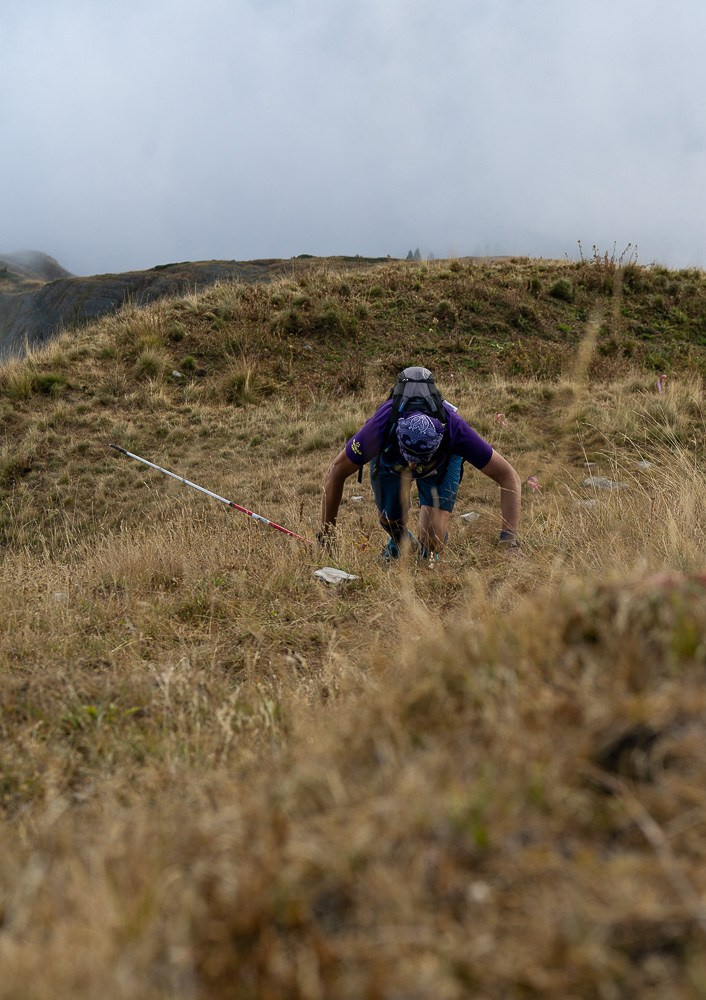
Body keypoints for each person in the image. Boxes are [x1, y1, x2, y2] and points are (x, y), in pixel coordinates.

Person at [319, 366, 522, 561]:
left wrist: (510, 540)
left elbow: (508, 475)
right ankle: (400, 543)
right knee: (389, 519)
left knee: (433, 539)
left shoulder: (456, 430)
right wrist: (326, 537)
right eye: (409, 458)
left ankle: (428, 551)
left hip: (440, 463)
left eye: (419, 461)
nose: (413, 468)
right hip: (390, 457)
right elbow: (336, 472)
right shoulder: (380, 428)